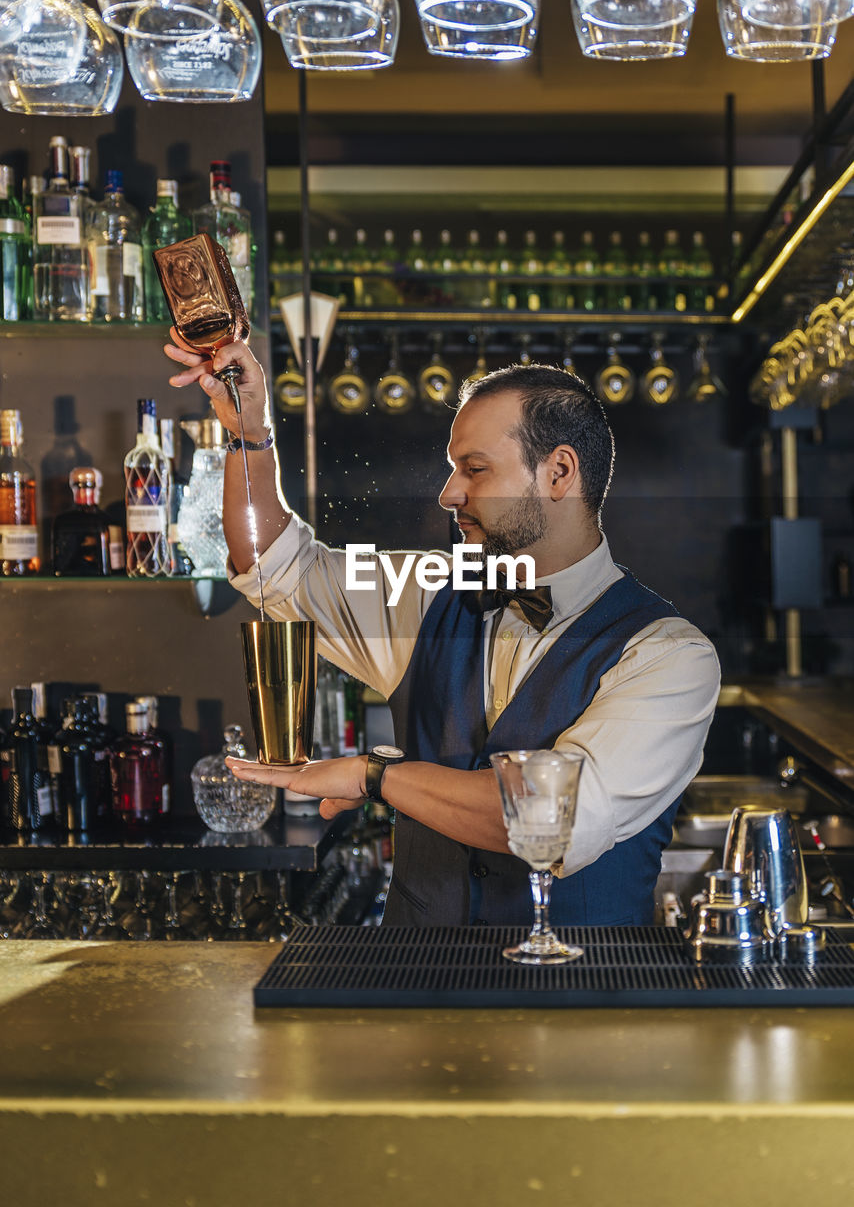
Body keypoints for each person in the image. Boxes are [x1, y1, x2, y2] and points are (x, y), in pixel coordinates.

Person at [165, 332, 720, 927]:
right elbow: (274, 565)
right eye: (453, 469)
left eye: (474, 470)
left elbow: (552, 820)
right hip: (420, 987)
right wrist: (249, 434)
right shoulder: (427, 591)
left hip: (580, 1003)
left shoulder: (671, 655)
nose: (448, 493)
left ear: (559, 473)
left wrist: (373, 775)